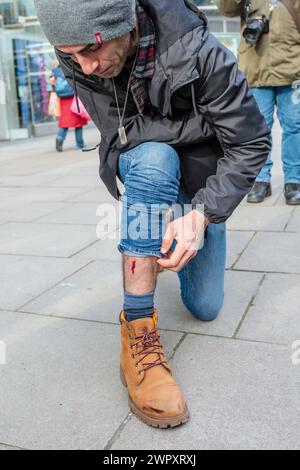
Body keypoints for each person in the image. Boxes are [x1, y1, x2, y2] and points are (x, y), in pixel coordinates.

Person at [34, 0, 270, 428]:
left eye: (90, 51)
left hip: (201, 182)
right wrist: (200, 126)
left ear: (123, 27)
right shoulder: (76, 55)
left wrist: (203, 214)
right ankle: (139, 329)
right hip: (146, 165)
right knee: (155, 158)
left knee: (205, 306)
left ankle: (181, 222)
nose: (85, 69)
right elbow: (120, 136)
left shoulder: (202, 52)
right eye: (70, 56)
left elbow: (251, 143)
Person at [217, 0, 300, 204]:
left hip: (293, 69)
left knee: (294, 127)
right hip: (256, 71)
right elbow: (226, 9)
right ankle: (260, 180)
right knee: (258, 130)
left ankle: (294, 180)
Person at [51, 64, 87, 152]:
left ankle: (59, 138)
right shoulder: (71, 67)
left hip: (62, 100)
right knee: (78, 123)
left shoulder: (55, 72)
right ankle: (80, 144)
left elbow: (52, 85)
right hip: (73, 99)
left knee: (65, 122)